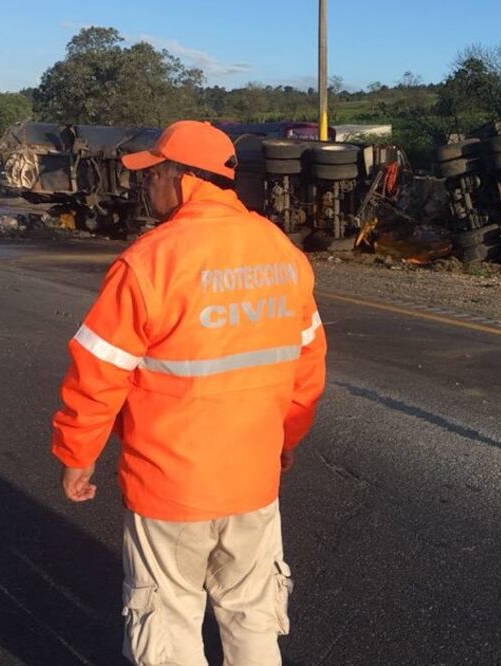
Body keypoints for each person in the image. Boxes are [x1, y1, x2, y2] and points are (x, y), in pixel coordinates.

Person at [50, 120, 326, 665]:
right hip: (253, 481)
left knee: (169, 621)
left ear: (180, 177)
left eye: (153, 173)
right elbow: (307, 365)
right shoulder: (281, 252)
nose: (146, 186)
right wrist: (286, 439)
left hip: (169, 488)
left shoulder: (150, 261)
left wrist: (77, 454)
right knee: (252, 615)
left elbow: (98, 371)